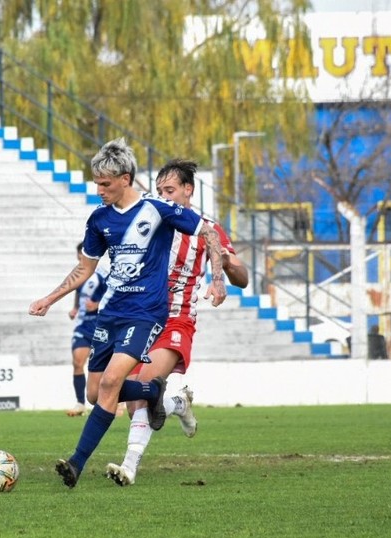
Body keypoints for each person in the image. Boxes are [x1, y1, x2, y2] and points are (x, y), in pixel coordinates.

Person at [28, 138, 228, 488]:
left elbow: (208, 232)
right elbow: (84, 270)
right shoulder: (99, 219)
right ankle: (153, 393)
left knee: (110, 383)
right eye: (96, 182)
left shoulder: (158, 209)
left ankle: (76, 463)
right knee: (94, 394)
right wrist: (50, 298)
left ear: (125, 178)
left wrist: (218, 279)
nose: (99, 189)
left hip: (146, 312)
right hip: (111, 313)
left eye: (105, 183)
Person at [105, 159, 249, 487]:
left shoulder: (207, 230)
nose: (164, 197)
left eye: (170, 190)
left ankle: (129, 467)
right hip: (142, 318)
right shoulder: (150, 224)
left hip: (176, 322)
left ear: (188, 190)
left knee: (143, 385)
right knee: (136, 399)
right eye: (159, 192)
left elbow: (243, 278)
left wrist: (222, 268)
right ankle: (178, 403)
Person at [66, 243, 108, 417]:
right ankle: (80, 403)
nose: (80, 259)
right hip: (83, 325)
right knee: (77, 362)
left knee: (108, 367)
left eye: (83, 256)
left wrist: (97, 305)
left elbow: (114, 293)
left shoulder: (103, 273)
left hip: (101, 325)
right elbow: (78, 292)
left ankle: (112, 401)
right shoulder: (78, 274)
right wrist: (75, 308)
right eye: (79, 256)